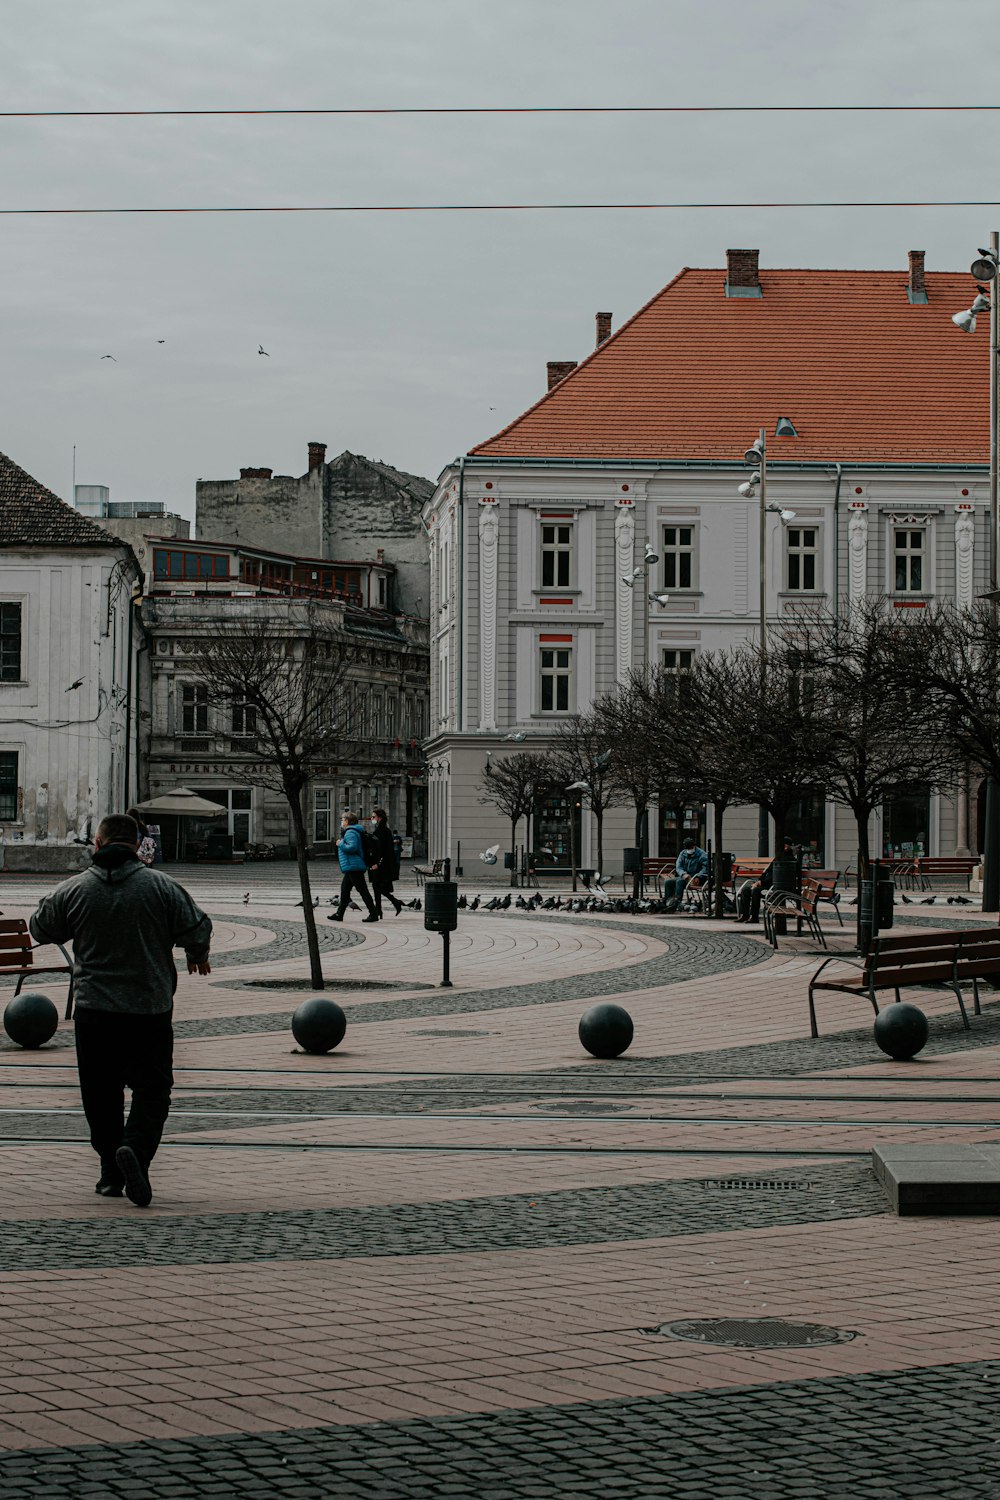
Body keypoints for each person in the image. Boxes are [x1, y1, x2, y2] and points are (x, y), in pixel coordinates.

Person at [28, 812, 212, 1207]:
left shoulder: (74, 889)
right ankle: (136, 1151)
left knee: (100, 1094)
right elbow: (197, 927)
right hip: (149, 1007)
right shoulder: (161, 886)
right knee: (153, 1089)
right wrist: (197, 952)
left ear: (98, 843)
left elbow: (41, 928)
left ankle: (111, 1173)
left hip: (95, 1010)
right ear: (138, 844)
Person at [328, 810, 379, 923]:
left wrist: (339, 843)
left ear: (347, 821)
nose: (341, 821)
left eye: (343, 819)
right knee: (345, 890)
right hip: (352, 865)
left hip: (353, 865)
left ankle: (373, 913)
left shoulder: (350, 832)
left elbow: (352, 848)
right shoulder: (355, 831)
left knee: (362, 891)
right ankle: (339, 914)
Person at [368, 807, 402, 917]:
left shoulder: (381, 831)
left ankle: (392, 903)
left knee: (378, 886)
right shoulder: (384, 830)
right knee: (377, 886)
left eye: (374, 817)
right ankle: (380, 909)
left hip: (381, 864)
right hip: (383, 863)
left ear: (380, 818)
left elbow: (380, 849)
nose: (372, 819)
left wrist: (377, 863)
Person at [663, 839, 709, 910]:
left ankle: (677, 903)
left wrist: (698, 876)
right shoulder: (683, 853)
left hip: (696, 878)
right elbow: (678, 866)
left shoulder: (702, 854)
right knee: (668, 882)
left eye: (690, 848)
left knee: (679, 882)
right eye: (687, 848)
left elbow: (705, 868)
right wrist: (683, 874)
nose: (689, 850)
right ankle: (668, 902)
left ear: (694, 846)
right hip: (685, 877)